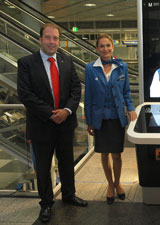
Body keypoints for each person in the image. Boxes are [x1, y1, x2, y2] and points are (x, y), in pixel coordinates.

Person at [17, 23, 87, 223]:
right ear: (40, 39)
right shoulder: (26, 63)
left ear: (59, 41)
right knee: (44, 167)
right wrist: (50, 113)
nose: (52, 42)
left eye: (55, 38)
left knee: (67, 163)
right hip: (41, 125)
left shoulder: (67, 60)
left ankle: (69, 195)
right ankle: (46, 203)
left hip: (65, 124)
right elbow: (25, 94)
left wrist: (66, 111)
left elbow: (76, 89)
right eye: (48, 37)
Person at [84, 33, 137, 205]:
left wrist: (130, 108)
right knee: (104, 153)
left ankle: (118, 182)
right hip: (99, 119)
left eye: (108, 45)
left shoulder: (122, 67)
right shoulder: (90, 68)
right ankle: (109, 185)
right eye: (102, 46)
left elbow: (126, 92)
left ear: (112, 47)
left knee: (116, 154)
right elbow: (89, 97)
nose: (105, 49)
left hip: (116, 118)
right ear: (97, 49)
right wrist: (89, 121)